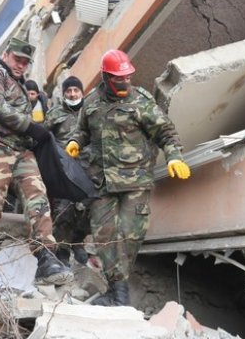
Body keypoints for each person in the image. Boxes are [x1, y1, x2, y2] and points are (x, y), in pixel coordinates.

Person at [66, 50, 191, 306]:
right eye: (118, 79)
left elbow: (165, 132)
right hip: (102, 182)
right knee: (104, 236)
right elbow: (82, 130)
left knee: (131, 235)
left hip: (135, 180)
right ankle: (118, 295)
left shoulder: (141, 101)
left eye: (127, 77)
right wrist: (74, 141)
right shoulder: (91, 103)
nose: (124, 83)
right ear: (105, 77)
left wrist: (174, 157)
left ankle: (118, 294)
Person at [0, 37, 72, 285]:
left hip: (21, 151)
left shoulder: (19, 85)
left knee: (38, 199)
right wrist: (31, 127)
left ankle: (46, 257)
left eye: (26, 62)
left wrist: (36, 133)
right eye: (17, 59)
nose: (21, 65)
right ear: (6, 55)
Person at [44, 75, 90, 265]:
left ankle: (78, 243)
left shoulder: (90, 112)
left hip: (87, 167)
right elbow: (44, 136)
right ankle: (62, 248)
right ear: (64, 94)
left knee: (86, 209)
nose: (72, 94)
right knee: (63, 209)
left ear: (82, 92)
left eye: (76, 90)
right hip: (64, 168)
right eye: (69, 91)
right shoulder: (55, 113)